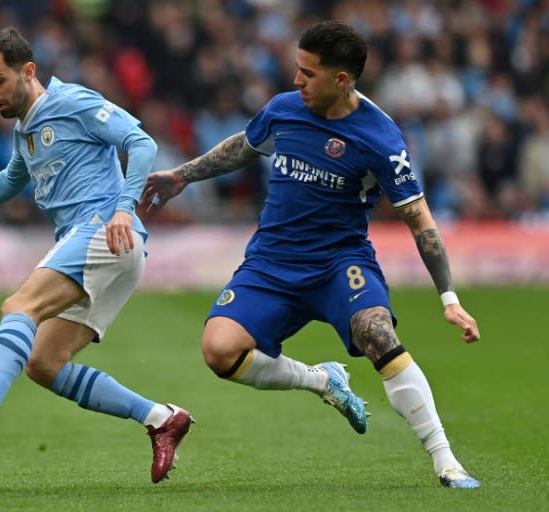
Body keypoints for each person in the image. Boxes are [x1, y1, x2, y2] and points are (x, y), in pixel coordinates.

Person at [143, 20, 481, 489]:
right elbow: (244, 146)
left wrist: (449, 299)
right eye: (296, 69)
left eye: (308, 73)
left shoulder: (380, 139)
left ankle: (447, 462)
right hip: (272, 262)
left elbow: (419, 220)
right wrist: (182, 176)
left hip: (339, 263)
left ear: (342, 79)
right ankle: (322, 380)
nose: (296, 81)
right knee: (219, 351)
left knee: (376, 334)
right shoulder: (284, 109)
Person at [0, 27, 193, 484]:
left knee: (18, 306)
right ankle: (162, 418)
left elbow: (141, 143)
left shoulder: (73, 102)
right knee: (43, 364)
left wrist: (124, 208)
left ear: (28, 71)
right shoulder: (27, 126)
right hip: (109, 247)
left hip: (102, 229)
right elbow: (11, 179)